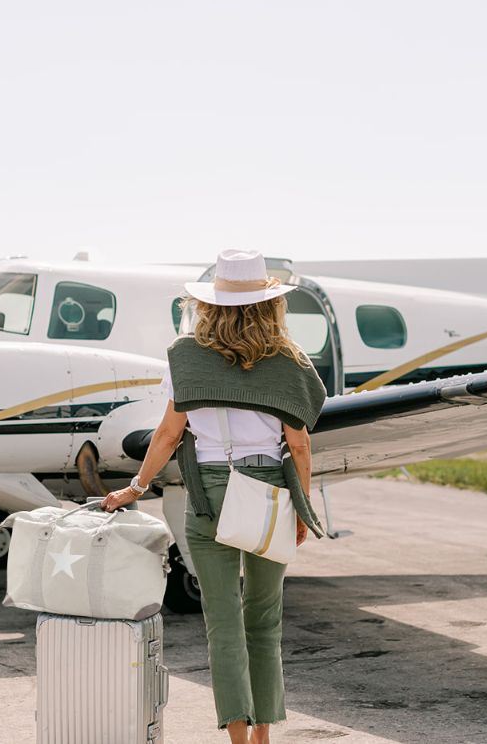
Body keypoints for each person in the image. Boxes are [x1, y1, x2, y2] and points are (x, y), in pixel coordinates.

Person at [102, 249, 327, 744]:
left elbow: (165, 436)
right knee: (264, 621)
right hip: (270, 492)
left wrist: (134, 488)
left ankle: (240, 740)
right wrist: (303, 511)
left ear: (210, 304)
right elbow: (300, 444)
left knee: (222, 625)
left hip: (207, 494)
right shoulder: (289, 361)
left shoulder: (184, 356)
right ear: (270, 305)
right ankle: (265, 737)